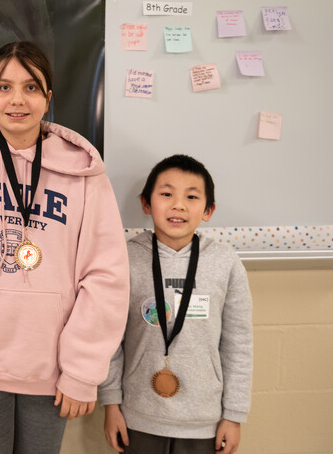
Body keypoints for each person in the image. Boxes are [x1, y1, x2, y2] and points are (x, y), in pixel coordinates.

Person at [0, 40, 130, 453]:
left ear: (48, 98)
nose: (17, 99)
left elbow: (105, 275)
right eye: (4, 87)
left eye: (31, 87)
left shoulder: (84, 174)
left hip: (52, 372)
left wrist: (82, 370)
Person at [98, 154, 253, 454]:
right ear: (146, 203)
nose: (178, 205)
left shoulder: (226, 263)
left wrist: (234, 415)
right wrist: (111, 402)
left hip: (204, 421)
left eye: (192, 197)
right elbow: (110, 337)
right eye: (166, 194)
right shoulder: (124, 259)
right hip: (137, 416)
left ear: (208, 210)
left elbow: (239, 344)